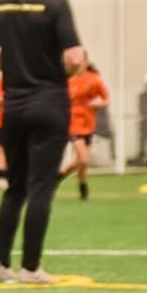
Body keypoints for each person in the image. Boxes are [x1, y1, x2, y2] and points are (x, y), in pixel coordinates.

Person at [0, 0, 86, 284]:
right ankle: (31, 267)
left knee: (15, 187)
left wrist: (15, 67)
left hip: (13, 106)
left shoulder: (2, 2)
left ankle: (0, 265)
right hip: (50, 103)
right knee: (41, 187)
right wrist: (59, 71)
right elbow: (74, 57)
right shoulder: (56, 4)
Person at [60, 60, 109, 201]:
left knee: (82, 162)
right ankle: (83, 189)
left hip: (88, 125)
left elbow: (106, 99)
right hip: (73, 124)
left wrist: (97, 103)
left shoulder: (94, 79)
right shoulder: (68, 80)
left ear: (86, 62)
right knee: (83, 158)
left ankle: (63, 177)